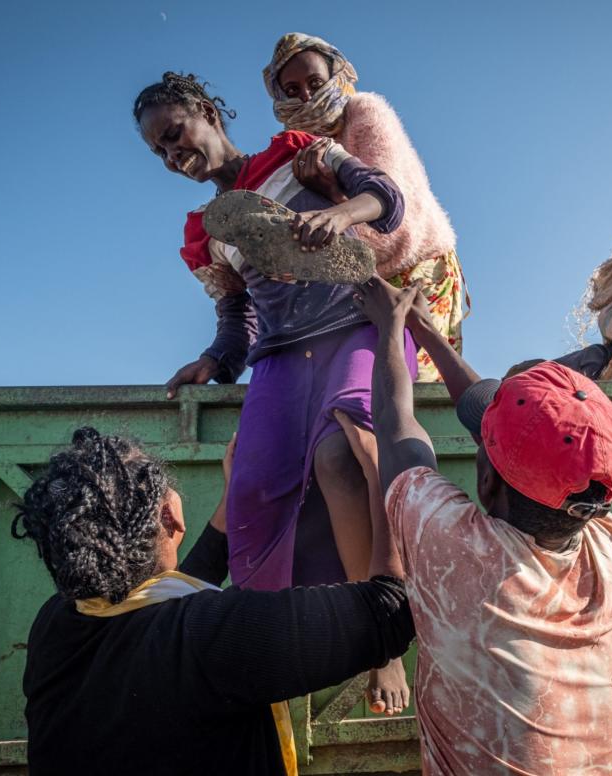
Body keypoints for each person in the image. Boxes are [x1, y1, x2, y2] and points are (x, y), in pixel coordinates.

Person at [133, 71, 413, 712]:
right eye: (160, 153)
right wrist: (213, 361)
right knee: (253, 493)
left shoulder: (295, 151)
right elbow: (240, 319)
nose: (174, 156)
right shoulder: (203, 230)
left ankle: (383, 644)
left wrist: (341, 213)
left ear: (206, 111)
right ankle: (282, 647)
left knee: (342, 458)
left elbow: (385, 199)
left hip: (357, 325)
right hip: (284, 356)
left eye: (175, 135)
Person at [11, 427, 414, 776]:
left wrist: (230, 502)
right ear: (171, 519)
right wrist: (381, 477)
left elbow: (164, 606)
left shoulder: (56, 624)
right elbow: (390, 611)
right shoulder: (213, 640)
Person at [355, 279, 612, 774]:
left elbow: (396, 425)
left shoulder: (459, 551)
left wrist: (391, 324)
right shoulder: (608, 547)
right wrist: (424, 327)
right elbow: (494, 419)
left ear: (485, 484)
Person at [264, 33, 466, 382]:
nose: (307, 96)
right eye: (293, 90)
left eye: (315, 82)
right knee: (365, 387)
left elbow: (393, 207)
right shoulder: (294, 150)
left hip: (418, 268)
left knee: (409, 384)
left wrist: (334, 201)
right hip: (363, 283)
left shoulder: (365, 111)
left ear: (335, 77)